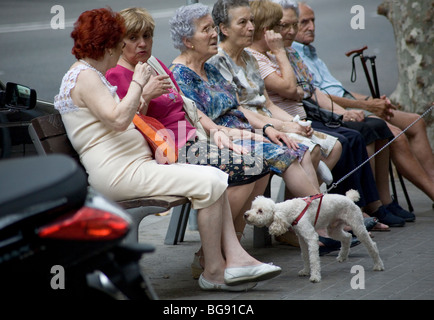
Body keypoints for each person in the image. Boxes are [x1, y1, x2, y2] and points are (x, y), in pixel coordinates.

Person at [54, 7, 281, 292]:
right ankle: (214, 269)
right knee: (211, 179)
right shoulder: (85, 76)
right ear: (106, 45)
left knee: (214, 177)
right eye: (118, 44)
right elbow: (118, 119)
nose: (119, 52)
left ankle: (231, 260)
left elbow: (121, 118)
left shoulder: (89, 74)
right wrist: (139, 83)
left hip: (137, 165)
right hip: (120, 172)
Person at [106, 7, 271, 279]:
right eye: (134, 37)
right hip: (170, 149)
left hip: (194, 137)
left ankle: (229, 251)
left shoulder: (155, 65)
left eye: (147, 35)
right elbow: (128, 125)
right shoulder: (117, 76)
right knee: (248, 168)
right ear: (119, 41)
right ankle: (214, 255)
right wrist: (144, 96)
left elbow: (188, 107)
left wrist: (216, 130)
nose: (143, 43)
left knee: (261, 165)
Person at [246, 0, 414, 227]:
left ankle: (373, 204)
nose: (290, 31)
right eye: (282, 25)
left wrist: (343, 112)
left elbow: (307, 89)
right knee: (350, 139)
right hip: (289, 120)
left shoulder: (288, 53)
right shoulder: (267, 55)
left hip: (298, 116)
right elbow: (290, 90)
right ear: (266, 29)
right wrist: (283, 61)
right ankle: (344, 213)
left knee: (371, 130)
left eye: (295, 24)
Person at [169, 3, 323, 207]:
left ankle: (313, 220)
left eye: (212, 27)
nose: (214, 34)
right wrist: (255, 134)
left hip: (242, 133)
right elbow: (200, 122)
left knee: (298, 149)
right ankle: (321, 216)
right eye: (206, 29)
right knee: (281, 155)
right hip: (220, 140)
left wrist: (267, 128)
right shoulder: (179, 75)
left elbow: (238, 107)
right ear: (187, 41)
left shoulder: (209, 68)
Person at [293, 1, 434, 203]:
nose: (312, 27)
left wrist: (371, 100)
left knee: (416, 121)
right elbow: (320, 97)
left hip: (349, 102)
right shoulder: (295, 53)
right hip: (334, 109)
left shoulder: (310, 51)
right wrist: (367, 106)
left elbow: (338, 89)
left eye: (313, 21)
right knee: (395, 134)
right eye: (304, 22)